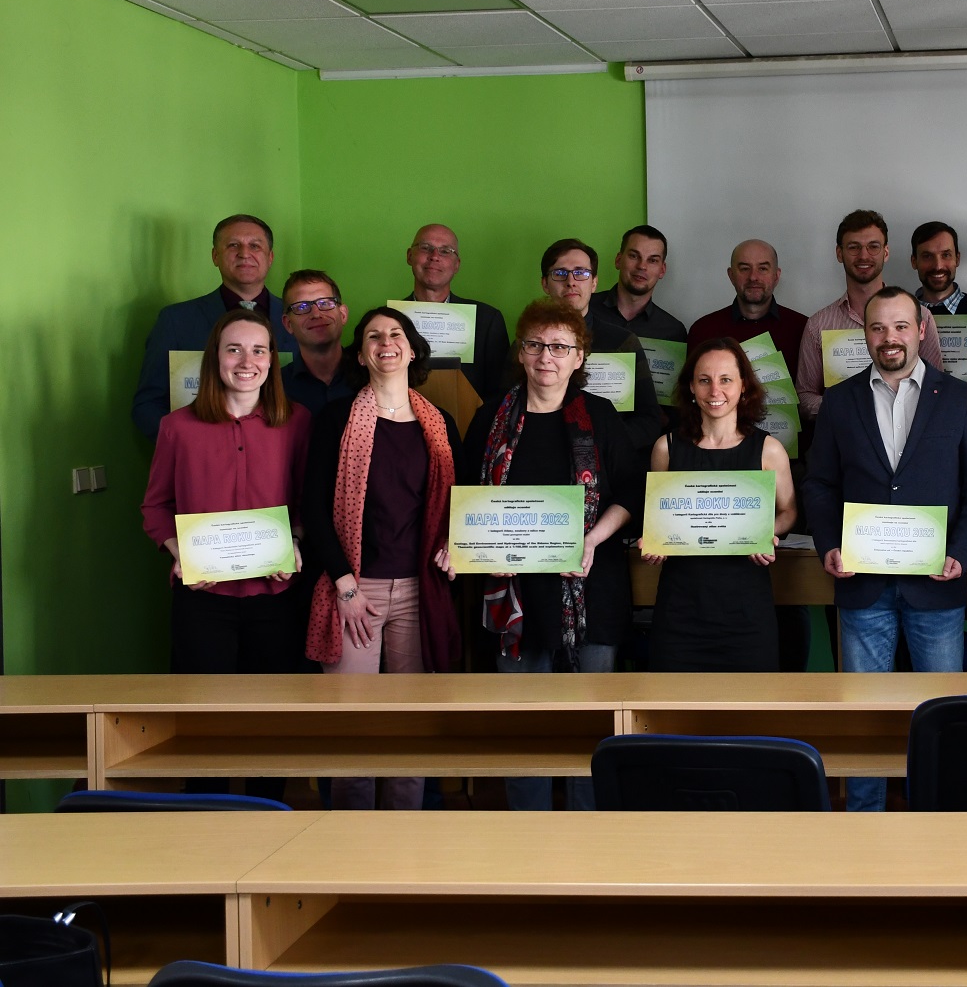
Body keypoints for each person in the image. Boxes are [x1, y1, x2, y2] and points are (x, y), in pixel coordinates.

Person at [803, 286, 967, 810]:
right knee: (864, 716)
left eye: (900, 326)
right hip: (861, 583)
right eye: (877, 328)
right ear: (865, 335)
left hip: (937, 583)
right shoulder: (840, 401)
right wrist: (828, 544)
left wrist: (962, 552)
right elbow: (819, 483)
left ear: (921, 330)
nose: (889, 338)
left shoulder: (960, 399)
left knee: (940, 713)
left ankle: (940, 815)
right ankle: (864, 819)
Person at [450, 299, 641, 809]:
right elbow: (464, 497)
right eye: (535, 344)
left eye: (559, 346)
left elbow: (631, 494)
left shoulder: (599, 416)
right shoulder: (491, 417)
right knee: (524, 723)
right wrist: (480, 547)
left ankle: (588, 827)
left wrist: (592, 539)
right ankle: (528, 828)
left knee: (591, 722)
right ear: (521, 352)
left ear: (579, 356)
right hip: (513, 595)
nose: (546, 357)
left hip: (589, 590)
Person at [304, 307, 460, 810]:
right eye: (373, 336)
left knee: (409, 728)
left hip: (418, 591)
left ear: (412, 350)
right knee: (354, 729)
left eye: (396, 334)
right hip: (355, 590)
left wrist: (457, 545)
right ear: (361, 354)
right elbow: (314, 509)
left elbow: (458, 506)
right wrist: (344, 585)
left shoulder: (441, 424)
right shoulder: (336, 420)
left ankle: (402, 841)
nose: (385, 342)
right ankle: (350, 842)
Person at [141, 308, 309, 688]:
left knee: (273, 706)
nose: (247, 362)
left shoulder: (297, 423)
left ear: (271, 360)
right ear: (215, 357)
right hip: (203, 599)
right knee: (202, 707)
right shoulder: (176, 428)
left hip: (275, 594)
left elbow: (306, 500)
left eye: (258, 350)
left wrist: (295, 544)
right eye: (234, 349)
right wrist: (181, 555)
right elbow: (155, 506)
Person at [641, 337, 796, 672]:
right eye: (704, 380)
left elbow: (789, 512)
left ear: (743, 386)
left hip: (747, 612)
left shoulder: (769, 450)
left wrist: (766, 532)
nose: (715, 391)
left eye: (726, 379)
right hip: (680, 610)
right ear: (691, 387)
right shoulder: (666, 449)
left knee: (750, 704)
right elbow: (659, 521)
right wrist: (655, 540)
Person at [133, 214, 299, 439]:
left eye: (255, 246)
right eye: (233, 245)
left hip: (280, 454)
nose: (244, 253)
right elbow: (147, 406)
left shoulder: (299, 318)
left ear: (270, 257)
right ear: (215, 256)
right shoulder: (175, 320)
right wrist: (191, 445)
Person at [796, 210, 944, 420]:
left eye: (873, 246)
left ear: (886, 252)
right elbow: (804, 397)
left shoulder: (921, 316)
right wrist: (847, 407)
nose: (863, 256)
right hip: (845, 436)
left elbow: (937, 388)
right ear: (839, 253)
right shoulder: (818, 325)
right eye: (853, 247)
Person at [540, 238, 664, 457]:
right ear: (545, 284)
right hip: (545, 455)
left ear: (594, 283)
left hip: (609, 462)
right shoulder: (529, 345)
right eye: (560, 273)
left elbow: (650, 419)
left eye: (581, 273)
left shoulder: (623, 342)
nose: (571, 281)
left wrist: (607, 442)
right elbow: (507, 408)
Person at [401, 223, 510, 402]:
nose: (434, 256)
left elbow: (499, 392)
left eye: (445, 251)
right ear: (409, 256)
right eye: (425, 247)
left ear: (457, 264)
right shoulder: (385, 320)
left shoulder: (487, 320)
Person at [686, 239, 810, 369]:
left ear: (776, 276)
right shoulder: (703, 331)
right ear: (731, 275)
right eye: (745, 269)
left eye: (763, 269)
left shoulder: (804, 330)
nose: (753, 277)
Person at [591, 224, 687, 343]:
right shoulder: (583, 311)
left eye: (652, 260)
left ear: (662, 270)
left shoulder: (674, 332)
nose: (642, 266)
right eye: (634, 256)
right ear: (618, 260)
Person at [279, 269, 355, 414]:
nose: (316, 314)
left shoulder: (372, 376)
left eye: (325, 303)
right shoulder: (275, 387)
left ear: (343, 314)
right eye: (302, 307)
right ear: (288, 324)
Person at [909, 221, 967, 316]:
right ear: (914, 262)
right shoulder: (900, 313)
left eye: (946, 255)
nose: (938, 266)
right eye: (927, 256)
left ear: (957, 259)